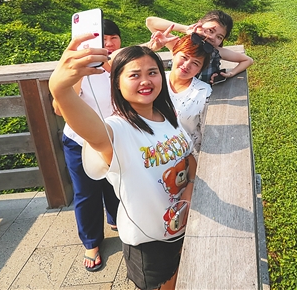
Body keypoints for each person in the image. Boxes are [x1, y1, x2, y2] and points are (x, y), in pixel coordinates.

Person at [50, 33, 196, 290]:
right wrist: (60, 89)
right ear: (116, 83)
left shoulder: (166, 115)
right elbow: (89, 128)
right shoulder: (116, 130)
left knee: (179, 279)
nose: (145, 80)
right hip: (148, 239)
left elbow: (188, 156)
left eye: (152, 72)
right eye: (134, 75)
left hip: (183, 226)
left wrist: (190, 189)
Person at [62, 19, 122, 272]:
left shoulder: (121, 64)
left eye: (113, 38)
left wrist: (111, 65)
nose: (108, 44)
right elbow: (60, 106)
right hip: (80, 142)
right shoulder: (77, 68)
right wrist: (80, 68)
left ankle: (116, 219)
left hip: (114, 138)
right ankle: (91, 243)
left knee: (115, 184)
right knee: (86, 194)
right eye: (102, 40)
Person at [145, 10, 253, 85]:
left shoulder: (216, 51)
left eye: (219, 37)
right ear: (200, 24)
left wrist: (230, 73)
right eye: (210, 30)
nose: (212, 37)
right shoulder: (180, 45)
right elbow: (150, 22)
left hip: (203, 99)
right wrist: (185, 28)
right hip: (176, 94)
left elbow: (247, 60)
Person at [163, 33, 213, 155]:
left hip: (187, 158)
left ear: (200, 69)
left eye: (195, 63)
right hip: (153, 155)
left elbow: (207, 133)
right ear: (174, 53)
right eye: (184, 57)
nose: (187, 65)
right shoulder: (156, 80)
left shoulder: (203, 92)